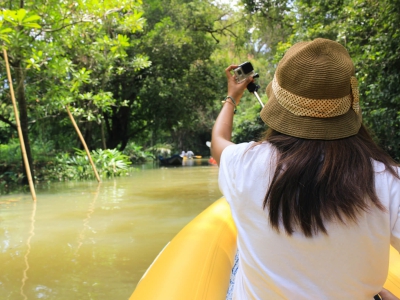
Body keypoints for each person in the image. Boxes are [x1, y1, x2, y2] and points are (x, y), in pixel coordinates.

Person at [211, 38, 400, 299]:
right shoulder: (389, 180)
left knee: (239, 256)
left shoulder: (242, 163)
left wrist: (232, 96)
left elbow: (218, 142)